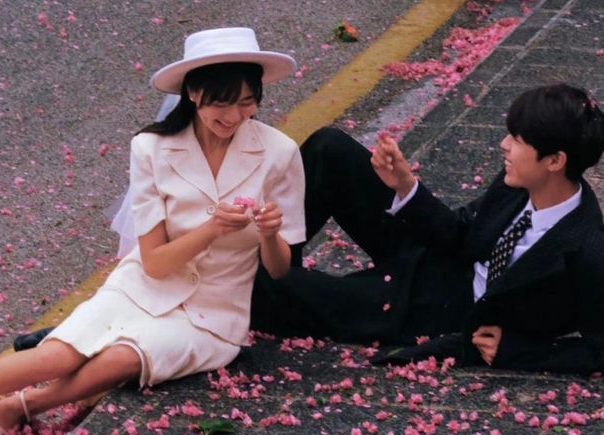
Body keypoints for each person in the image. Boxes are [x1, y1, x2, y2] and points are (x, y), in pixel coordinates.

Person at [0, 28, 305, 435]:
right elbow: (154, 263)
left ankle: (25, 406)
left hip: (215, 313)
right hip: (144, 286)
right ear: (193, 93)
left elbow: (281, 269)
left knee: (123, 357)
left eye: (247, 102)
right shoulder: (151, 148)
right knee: (57, 354)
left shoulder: (279, 152)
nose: (234, 116)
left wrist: (269, 233)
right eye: (221, 103)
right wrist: (212, 229)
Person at [250, 82, 604, 374]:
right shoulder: (517, 183)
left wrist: (518, 350)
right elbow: (463, 235)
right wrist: (406, 186)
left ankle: (267, 280)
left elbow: (597, 349)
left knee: (261, 290)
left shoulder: (586, 250)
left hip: (431, 309)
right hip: (436, 257)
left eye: (517, 139)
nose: (504, 145)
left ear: (555, 161)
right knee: (329, 150)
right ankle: (281, 260)